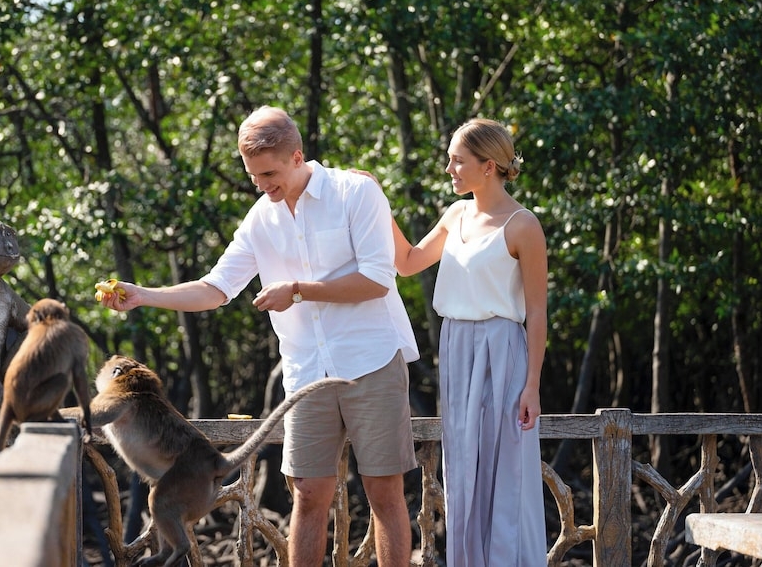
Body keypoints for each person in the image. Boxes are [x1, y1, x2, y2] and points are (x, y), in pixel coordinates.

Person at [98, 105, 420, 567]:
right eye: (253, 177)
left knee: (383, 491)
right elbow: (216, 288)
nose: (262, 185)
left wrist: (298, 290)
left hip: (372, 360)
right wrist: (144, 295)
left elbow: (377, 280)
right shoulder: (259, 219)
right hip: (306, 373)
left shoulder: (356, 192)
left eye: (269, 174)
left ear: (297, 157)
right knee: (307, 493)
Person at [371, 118, 547, 566]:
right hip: (456, 347)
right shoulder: (455, 214)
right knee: (463, 467)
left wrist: (532, 385)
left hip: (502, 348)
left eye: (457, 161)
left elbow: (537, 312)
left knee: (505, 466)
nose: (449, 169)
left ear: (488, 166)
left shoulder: (523, 225)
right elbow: (408, 262)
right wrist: (377, 201)